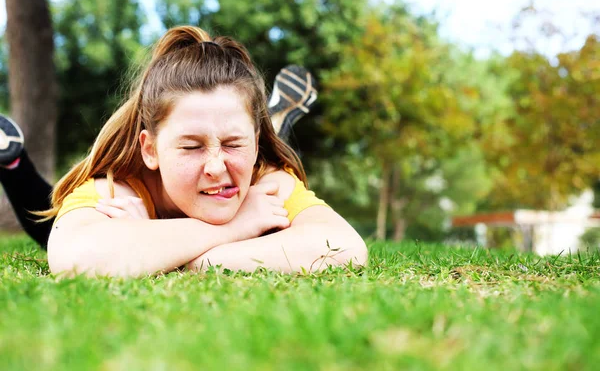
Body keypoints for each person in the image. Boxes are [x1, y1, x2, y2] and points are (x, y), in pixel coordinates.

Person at [0, 26, 367, 277]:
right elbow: (72, 256)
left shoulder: (265, 179)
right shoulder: (117, 186)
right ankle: (13, 163)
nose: (215, 167)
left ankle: (269, 128)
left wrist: (162, 252)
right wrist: (237, 227)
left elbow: (345, 249)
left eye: (233, 143)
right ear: (150, 149)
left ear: (255, 142)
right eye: (191, 146)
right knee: (46, 225)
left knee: (268, 158)